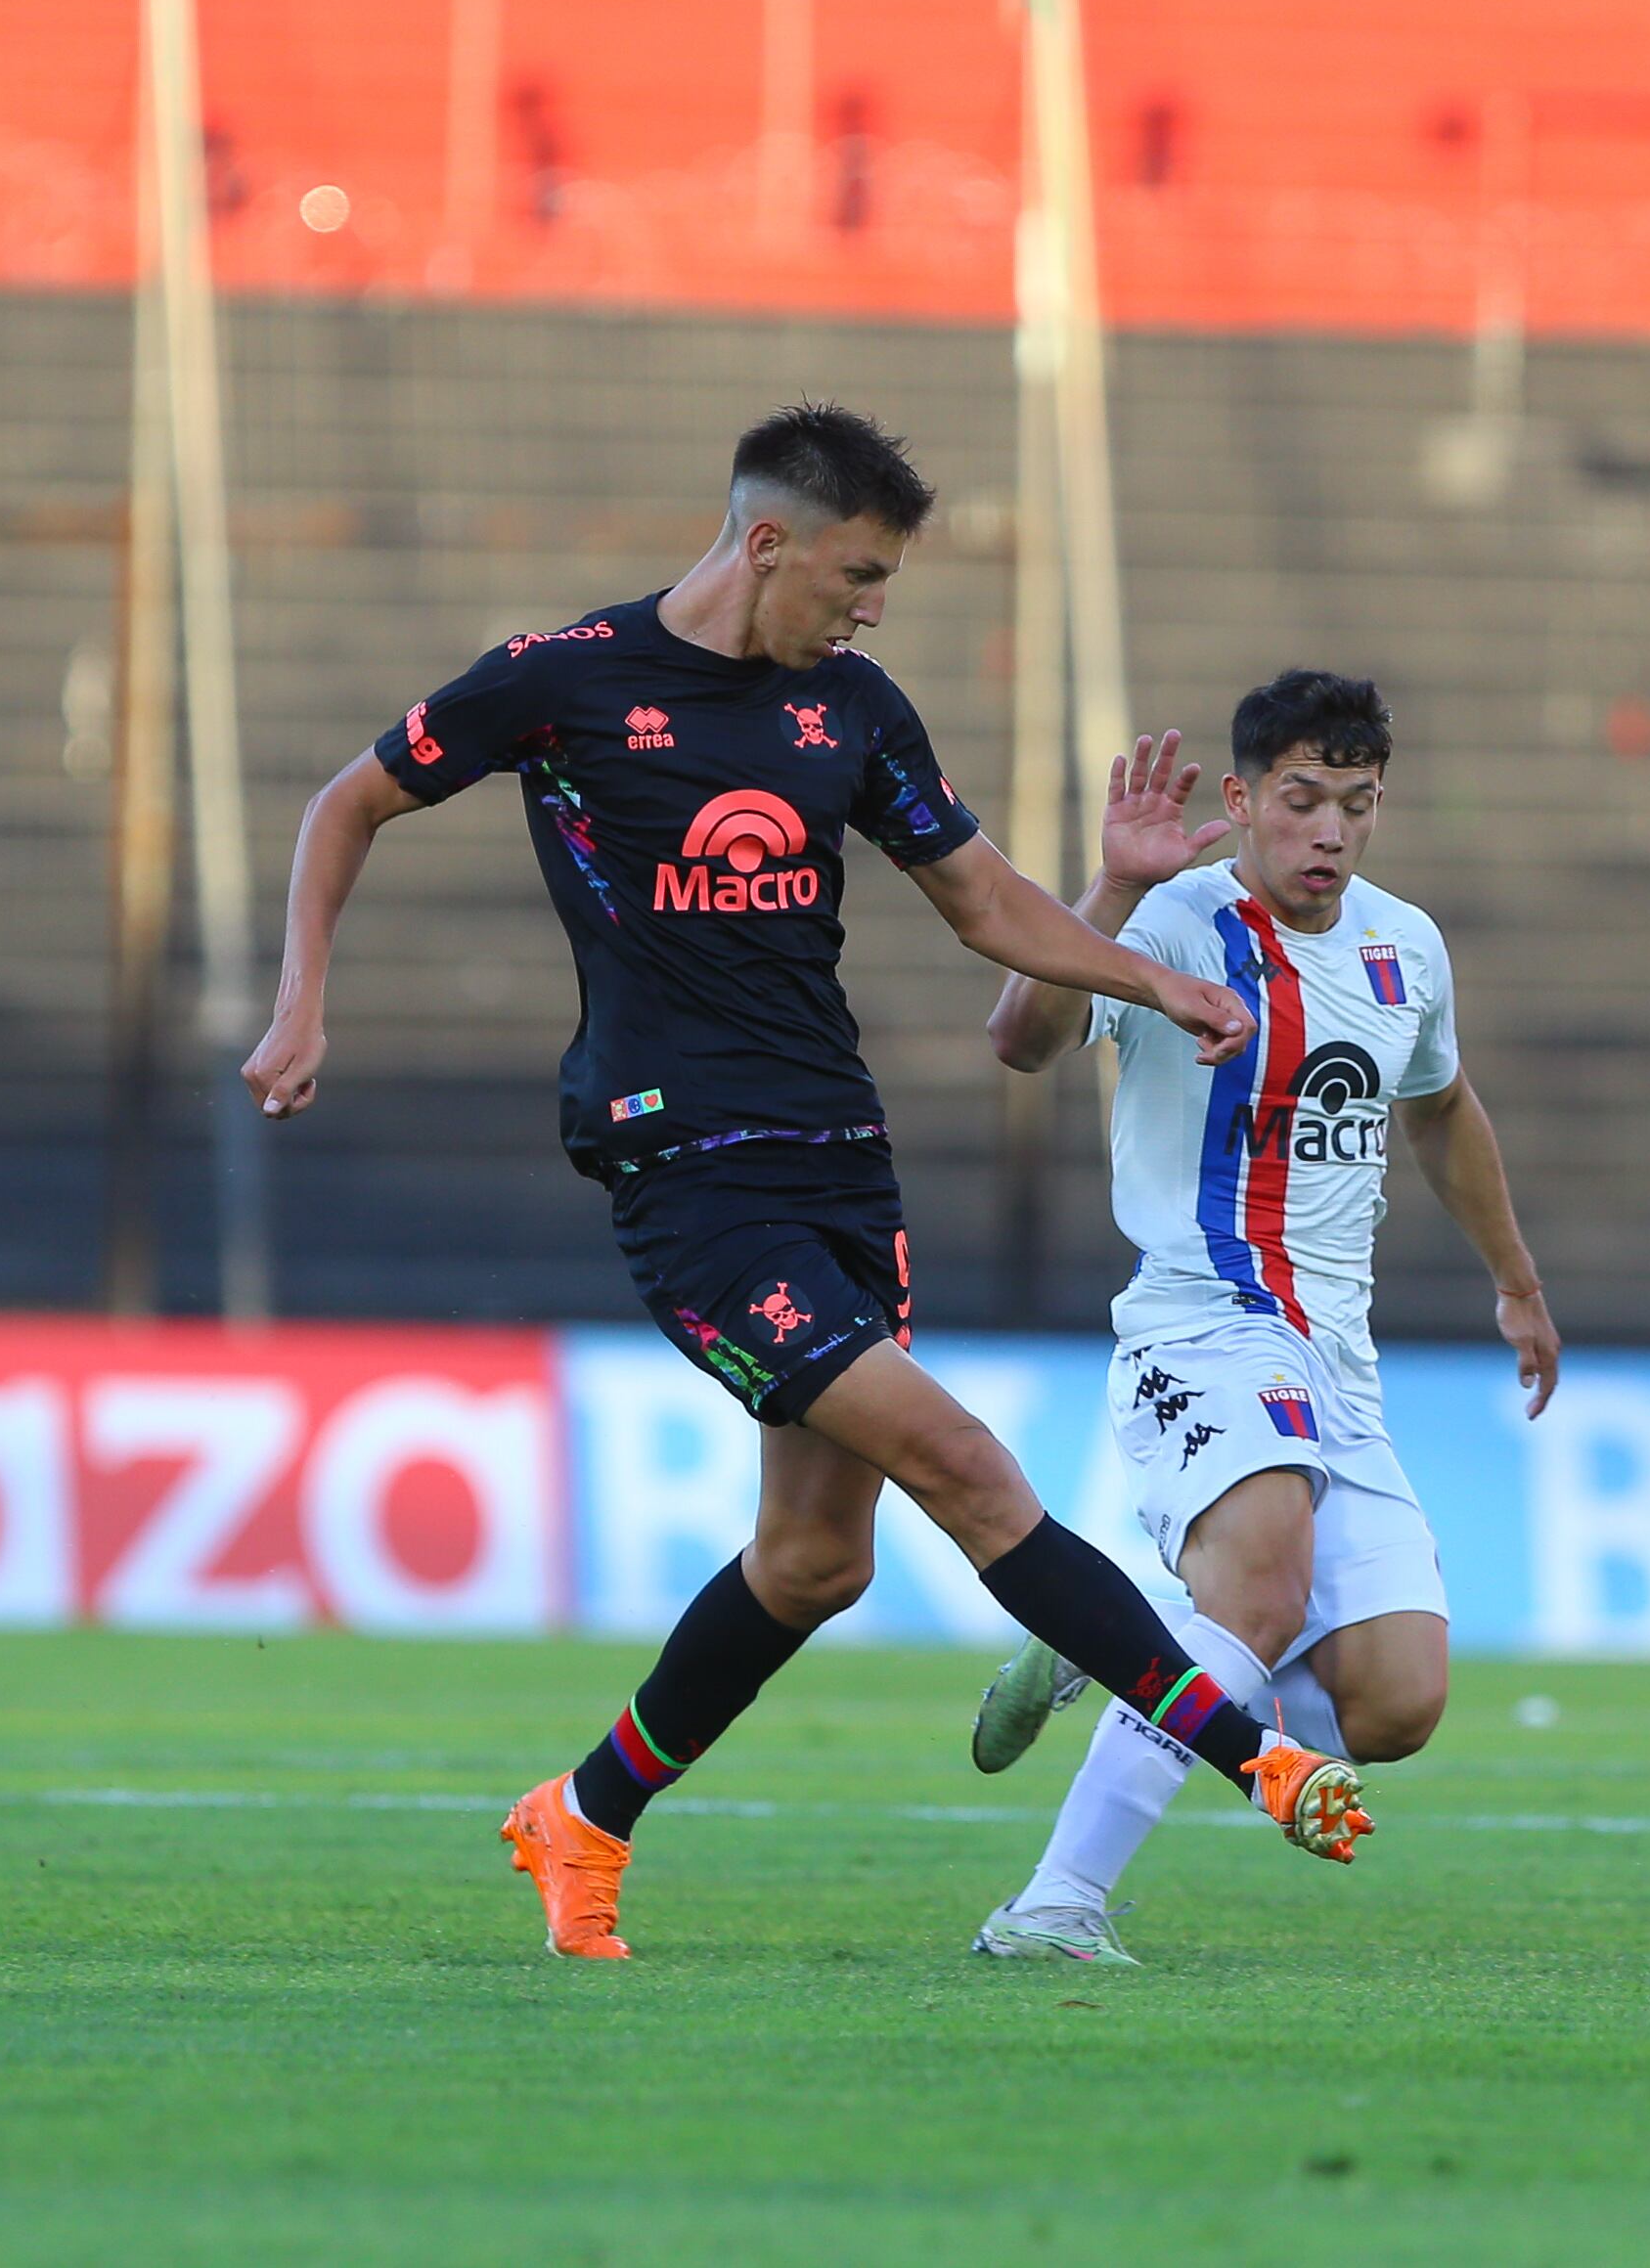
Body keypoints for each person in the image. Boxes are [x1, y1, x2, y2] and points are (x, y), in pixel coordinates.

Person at [241, 404, 1371, 1961]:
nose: (870, 605)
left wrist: (1139, 970)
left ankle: (579, 1816)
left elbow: (974, 894)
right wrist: (303, 999)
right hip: (687, 1182)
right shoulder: (565, 678)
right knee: (967, 1469)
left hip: (837, 1162)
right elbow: (346, 801)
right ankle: (1257, 1759)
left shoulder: (853, 708)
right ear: (764, 543)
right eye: (855, 572)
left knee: (814, 1559)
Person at [964, 673, 1560, 1965]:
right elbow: (1018, 1039)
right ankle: (1053, 1906)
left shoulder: (1407, 949)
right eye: (1300, 802)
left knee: (1396, 1702)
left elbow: (1442, 1109)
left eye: (1356, 804)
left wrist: (1514, 1280)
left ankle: (1117, 1645)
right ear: (1240, 803)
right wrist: (1111, 889)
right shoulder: (1175, 924)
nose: (1330, 832)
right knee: (1261, 1592)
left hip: (1338, 1360)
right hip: (1204, 1321)